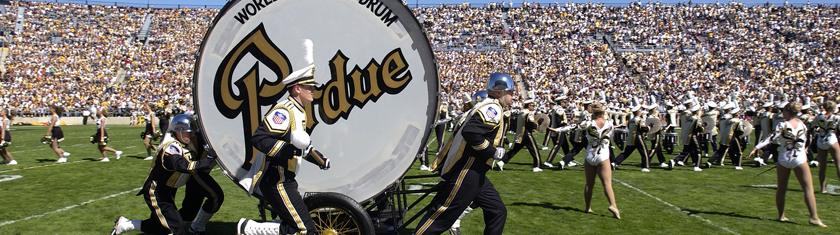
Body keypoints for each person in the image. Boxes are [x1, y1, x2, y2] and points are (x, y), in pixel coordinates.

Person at [237, 39, 331, 235]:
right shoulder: (284, 111)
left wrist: (321, 160)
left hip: (286, 178)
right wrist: (291, 150)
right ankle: (249, 229)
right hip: (276, 178)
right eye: (309, 87)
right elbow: (260, 138)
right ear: (297, 88)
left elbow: (303, 145)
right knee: (305, 230)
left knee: (301, 227)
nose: (313, 90)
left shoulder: (299, 111)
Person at [413, 72, 512, 235]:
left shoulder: (487, 105)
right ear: (499, 91)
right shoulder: (493, 107)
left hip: (476, 172)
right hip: (467, 171)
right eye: (510, 91)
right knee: (442, 217)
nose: (513, 95)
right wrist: (493, 152)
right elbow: (471, 132)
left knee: (498, 211)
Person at [111, 114, 219, 235]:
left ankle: (125, 225)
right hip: (156, 191)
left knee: (161, 226)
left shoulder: (183, 140)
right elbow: (184, 166)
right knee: (176, 228)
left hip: (168, 190)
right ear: (179, 131)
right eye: (189, 132)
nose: (193, 135)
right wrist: (208, 159)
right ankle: (124, 225)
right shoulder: (170, 147)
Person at [746, 102, 826, 227]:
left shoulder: (782, 125)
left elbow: (770, 138)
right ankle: (814, 217)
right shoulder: (802, 125)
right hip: (799, 158)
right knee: (808, 189)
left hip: (784, 158)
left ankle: (781, 215)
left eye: (783, 111)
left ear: (788, 112)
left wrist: (756, 148)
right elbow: (805, 141)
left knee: (781, 189)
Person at [577, 102, 620, 219]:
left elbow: (574, 127)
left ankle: (587, 207)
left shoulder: (589, 123)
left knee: (589, 184)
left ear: (593, 112)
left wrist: (557, 130)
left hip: (589, 154)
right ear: (603, 112)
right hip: (603, 155)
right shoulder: (610, 124)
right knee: (607, 184)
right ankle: (613, 205)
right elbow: (611, 137)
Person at [178, 128, 224, 235]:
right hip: (195, 171)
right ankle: (197, 227)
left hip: (199, 172)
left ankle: (166, 225)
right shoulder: (200, 135)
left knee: (188, 211)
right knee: (216, 196)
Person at [498, 98, 544, 172]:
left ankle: (501, 162)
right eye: (532, 106)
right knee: (535, 150)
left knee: (514, 150)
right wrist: (539, 122)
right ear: (529, 106)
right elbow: (533, 125)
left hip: (519, 134)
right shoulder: (528, 113)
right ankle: (537, 166)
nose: (533, 107)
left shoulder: (521, 112)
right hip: (526, 134)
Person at [614, 101, 651, 172]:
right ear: (638, 112)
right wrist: (649, 127)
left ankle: (615, 162)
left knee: (626, 153)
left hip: (631, 138)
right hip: (638, 137)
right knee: (644, 152)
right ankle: (644, 166)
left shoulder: (632, 120)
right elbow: (643, 129)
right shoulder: (640, 120)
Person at [814, 100, 840, 194]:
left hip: (821, 140)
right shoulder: (836, 117)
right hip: (831, 139)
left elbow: (813, 125)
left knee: (822, 167)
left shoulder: (819, 117)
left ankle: (822, 188)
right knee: (838, 165)